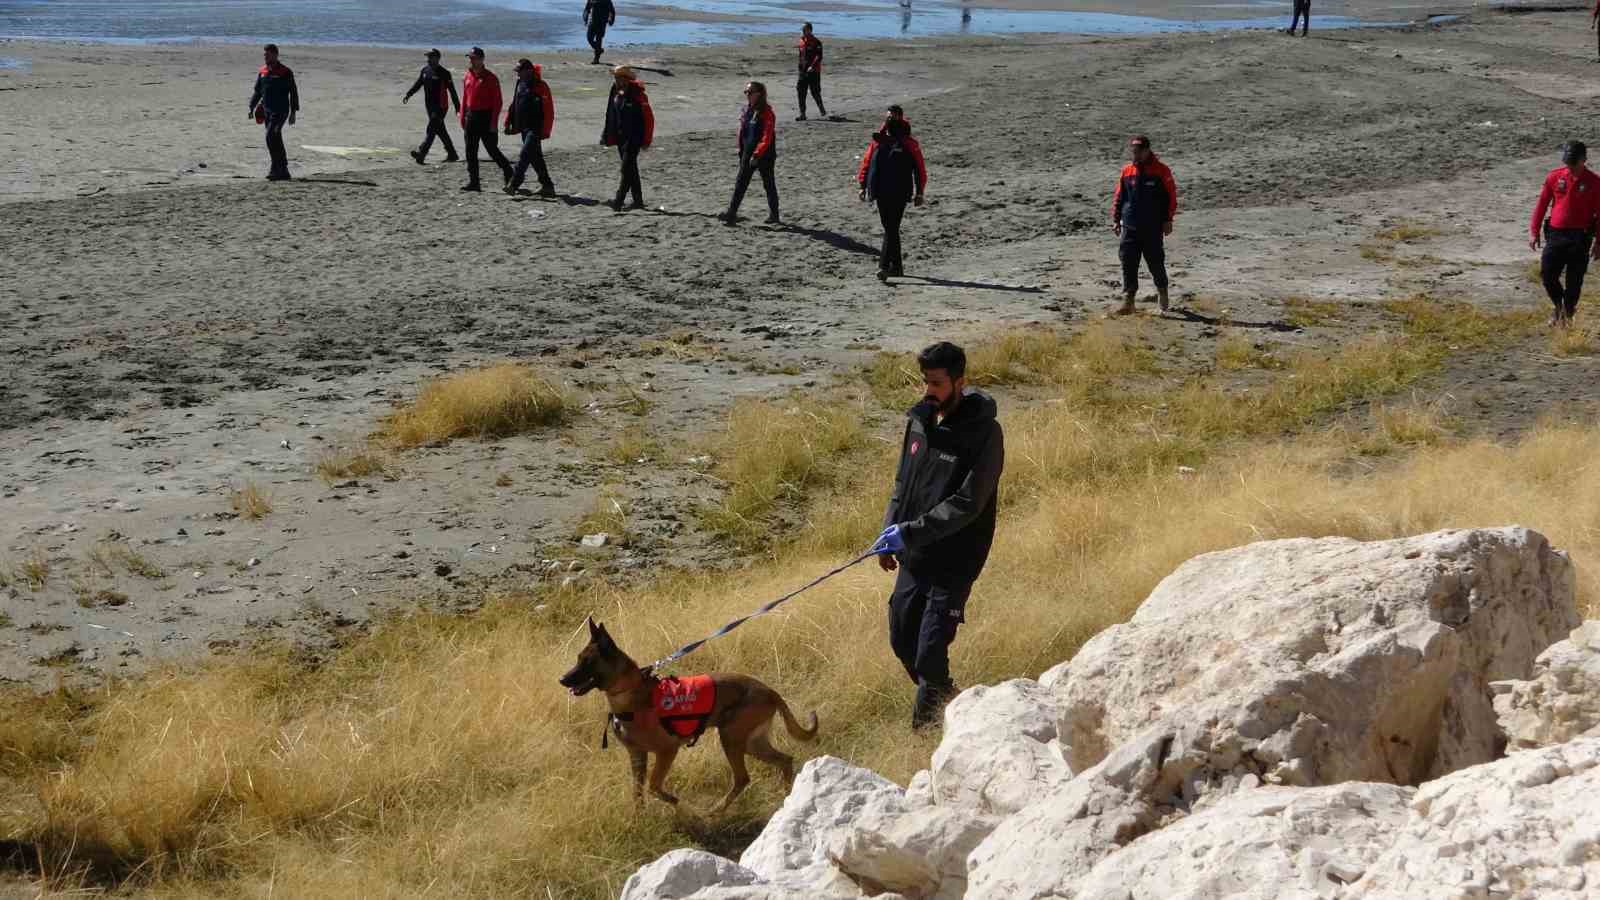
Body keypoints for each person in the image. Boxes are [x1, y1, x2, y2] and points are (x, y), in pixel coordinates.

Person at [871, 341, 1004, 730]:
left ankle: (926, 735)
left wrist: (907, 533)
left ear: (960, 382)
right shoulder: (918, 421)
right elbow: (902, 484)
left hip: (955, 561)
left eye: (937, 383)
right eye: (925, 381)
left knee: (930, 651)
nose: (928, 390)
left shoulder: (985, 433)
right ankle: (953, 703)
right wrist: (888, 532)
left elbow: (968, 503)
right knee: (901, 639)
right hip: (914, 555)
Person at [1530, 140, 1600, 327]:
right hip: (1556, 234)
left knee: (1574, 280)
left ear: (1583, 160)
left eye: (1574, 162)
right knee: (1547, 274)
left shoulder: (1594, 183)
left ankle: (1567, 313)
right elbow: (1542, 204)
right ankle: (1559, 306)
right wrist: (1534, 231)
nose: (1570, 167)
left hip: (1581, 236)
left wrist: (1598, 242)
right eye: (1568, 162)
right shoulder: (1555, 177)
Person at [857, 106, 927, 280]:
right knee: (890, 227)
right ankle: (897, 267)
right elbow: (867, 163)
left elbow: (920, 170)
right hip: (881, 191)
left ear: (901, 118)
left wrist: (920, 192)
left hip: (900, 191)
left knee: (891, 227)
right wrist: (862, 185)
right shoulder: (878, 141)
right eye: (889, 116)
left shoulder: (909, 143)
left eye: (894, 116)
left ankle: (884, 266)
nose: (891, 119)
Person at [1111, 134, 1178, 315]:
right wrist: (1116, 219)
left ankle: (1162, 291)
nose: (1136, 155)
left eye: (1139, 151)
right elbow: (1119, 196)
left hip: (1152, 227)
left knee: (1155, 262)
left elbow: (1170, 197)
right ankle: (1128, 301)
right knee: (1128, 262)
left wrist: (1168, 219)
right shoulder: (1127, 171)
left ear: (1148, 150)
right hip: (1129, 226)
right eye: (1133, 151)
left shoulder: (1161, 171)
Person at [720, 81, 779, 225]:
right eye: (746, 92)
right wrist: (741, 149)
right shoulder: (747, 110)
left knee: (768, 183)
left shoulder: (767, 112)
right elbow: (742, 132)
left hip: (764, 155)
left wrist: (757, 154)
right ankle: (732, 212)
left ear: (759, 94)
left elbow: (767, 136)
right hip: (748, 152)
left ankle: (774, 215)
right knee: (741, 182)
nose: (747, 95)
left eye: (750, 92)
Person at [458, 47, 514, 193]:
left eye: (474, 58)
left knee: (492, 150)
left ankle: (509, 172)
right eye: (470, 58)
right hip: (471, 117)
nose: (471, 60)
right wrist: (463, 116)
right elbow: (465, 98)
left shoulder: (490, 78)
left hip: (486, 117)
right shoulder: (467, 76)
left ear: (482, 59)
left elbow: (498, 102)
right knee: (470, 151)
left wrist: (493, 123)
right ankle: (474, 182)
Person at [601, 65, 654, 212]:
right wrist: (606, 134)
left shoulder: (638, 95)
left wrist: (646, 140)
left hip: (635, 138)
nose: (617, 80)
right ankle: (638, 201)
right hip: (620, 137)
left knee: (626, 169)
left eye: (619, 78)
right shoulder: (614, 92)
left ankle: (618, 202)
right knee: (631, 169)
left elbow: (648, 119)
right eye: (616, 77)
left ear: (627, 79)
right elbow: (610, 114)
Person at [504, 59, 557, 197]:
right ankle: (547, 186)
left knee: (524, 155)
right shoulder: (520, 83)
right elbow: (514, 104)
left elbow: (549, 110)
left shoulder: (541, 86)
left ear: (528, 71)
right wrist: (509, 122)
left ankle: (514, 184)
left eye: (520, 71)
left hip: (536, 129)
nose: (518, 75)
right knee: (535, 158)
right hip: (523, 127)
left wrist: (546, 131)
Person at [247, 44, 299, 181]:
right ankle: (282, 170)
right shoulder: (262, 71)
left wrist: (293, 112)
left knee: (271, 136)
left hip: (281, 111)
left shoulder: (285, 71)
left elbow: (293, 93)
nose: (265, 57)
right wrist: (251, 107)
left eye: (268, 54)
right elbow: (258, 91)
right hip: (267, 111)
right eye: (264, 55)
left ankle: (276, 167)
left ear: (275, 55)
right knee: (274, 139)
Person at [403, 49, 461, 164]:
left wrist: (458, 108)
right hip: (429, 106)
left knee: (431, 129)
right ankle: (452, 154)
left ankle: (421, 153)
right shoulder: (425, 70)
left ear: (437, 58)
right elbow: (418, 83)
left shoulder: (444, 73)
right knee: (440, 130)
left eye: (431, 57)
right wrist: (409, 94)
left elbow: (452, 91)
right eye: (428, 57)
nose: (428, 59)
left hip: (441, 106)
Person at [795, 22, 826, 121]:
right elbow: (801, 55)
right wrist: (800, 67)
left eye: (805, 30)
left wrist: (812, 66)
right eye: (802, 30)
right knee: (801, 91)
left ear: (810, 30)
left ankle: (821, 108)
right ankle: (802, 114)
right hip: (803, 71)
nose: (803, 32)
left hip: (814, 71)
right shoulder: (801, 41)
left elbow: (819, 56)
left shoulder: (816, 42)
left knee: (815, 92)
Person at [584, 0, 617, 66]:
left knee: (599, 39)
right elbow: (587, 9)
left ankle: (596, 59)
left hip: (602, 23)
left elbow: (612, 11)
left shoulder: (607, 1)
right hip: (592, 22)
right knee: (589, 38)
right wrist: (585, 18)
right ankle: (599, 49)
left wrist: (611, 19)